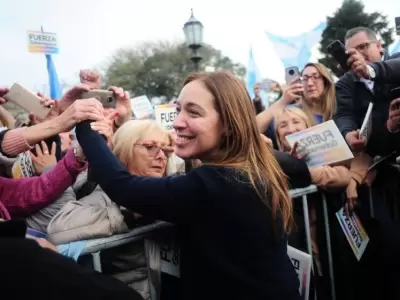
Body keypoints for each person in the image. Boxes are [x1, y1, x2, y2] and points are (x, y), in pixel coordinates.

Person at [75, 71, 301, 300]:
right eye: (178, 109)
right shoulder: (252, 170)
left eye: (193, 112)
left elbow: (122, 186)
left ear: (229, 125)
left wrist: (86, 124)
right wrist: (125, 122)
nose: (177, 122)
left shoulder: (214, 184)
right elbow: (300, 169)